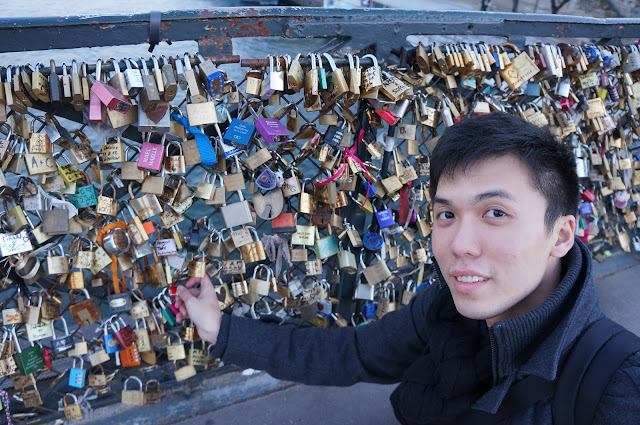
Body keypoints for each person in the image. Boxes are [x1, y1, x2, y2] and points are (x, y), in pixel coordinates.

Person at [173, 112, 640, 424]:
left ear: (560, 235)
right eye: (446, 215)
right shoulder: (441, 312)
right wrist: (220, 330)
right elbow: (349, 354)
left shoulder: (617, 386)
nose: (460, 245)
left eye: (496, 212)